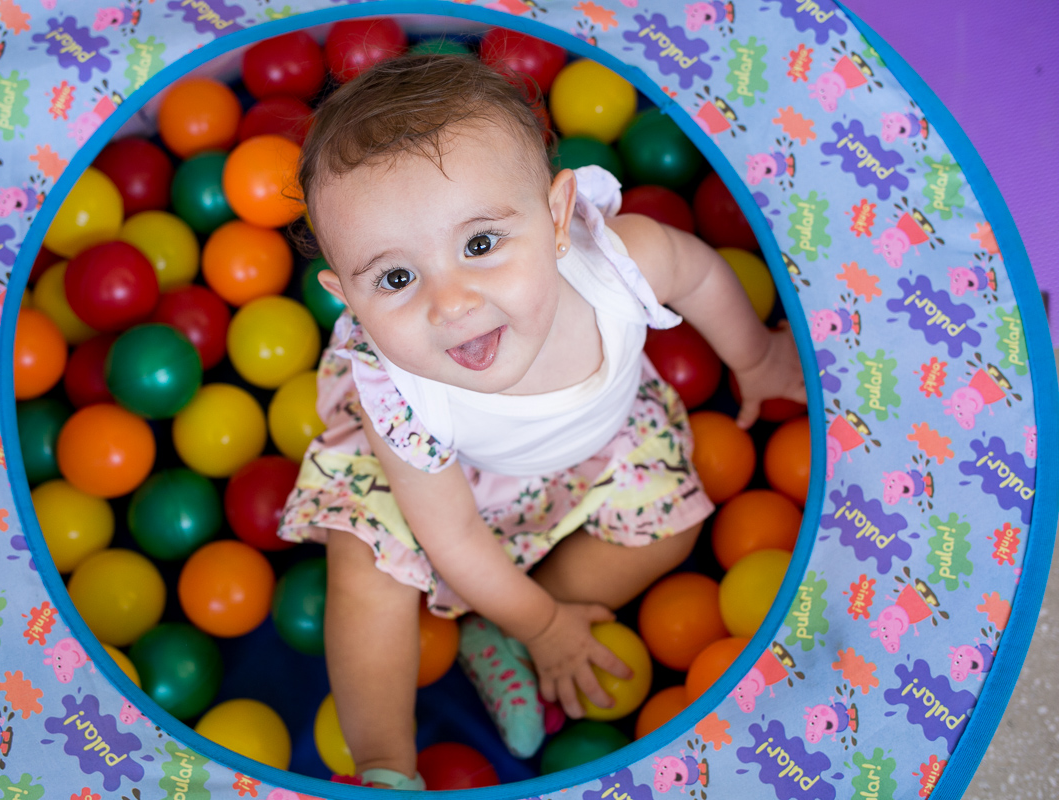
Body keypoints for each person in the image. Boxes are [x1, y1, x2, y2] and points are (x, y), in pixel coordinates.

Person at [278, 53, 805, 789]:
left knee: (673, 525)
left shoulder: (619, 263)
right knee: (365, 563)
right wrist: (548, 628)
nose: (452, 303)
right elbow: (450, 535)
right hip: (443, 483)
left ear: (558, 220)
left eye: (481, 244)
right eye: (396, 278)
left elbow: (703, 274)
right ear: (348, 299)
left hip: (597, 445)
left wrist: (756, 358)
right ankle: (384, 763)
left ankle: (498, 630)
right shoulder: (398, 395)